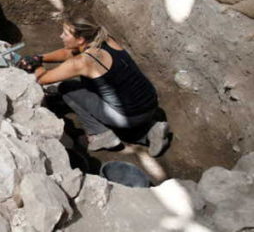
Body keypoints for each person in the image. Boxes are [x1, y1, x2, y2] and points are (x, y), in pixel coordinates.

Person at [18, 15, 170, 156]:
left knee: (67, 88)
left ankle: (101, 135)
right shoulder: (105, 39)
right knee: (98, 88)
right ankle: (151, 129)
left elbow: (43, 78)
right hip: (150, 102)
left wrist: (33, 66)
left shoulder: (84, 61)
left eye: (65, 34)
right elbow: (68, 53)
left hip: (130, 116)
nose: (61, 36)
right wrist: (40, 57)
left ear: (80, 40)